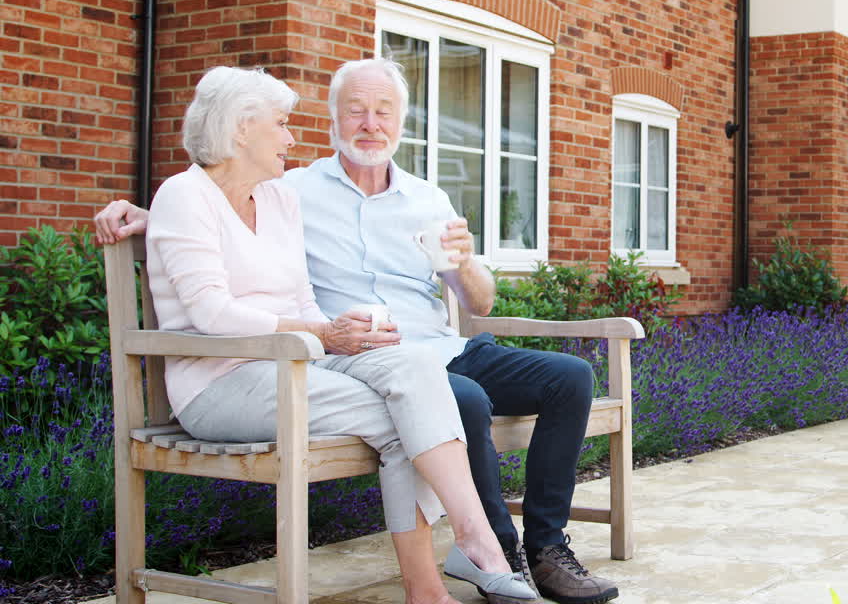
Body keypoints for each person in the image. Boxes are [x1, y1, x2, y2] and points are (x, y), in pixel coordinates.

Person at [95, 58, 620, 604]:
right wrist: (151, 216)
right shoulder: (293, 187)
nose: (370, 124)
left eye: (383, 111)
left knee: (567, 377)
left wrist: (464, 262)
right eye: (355, 111)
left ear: (401, 121)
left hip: (415, 349)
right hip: (305, 362)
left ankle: (537, 549)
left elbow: (478, 303)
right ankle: (490, 550)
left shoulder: (410, 199)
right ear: (248, 127)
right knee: (435, 402)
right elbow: (212, 225)